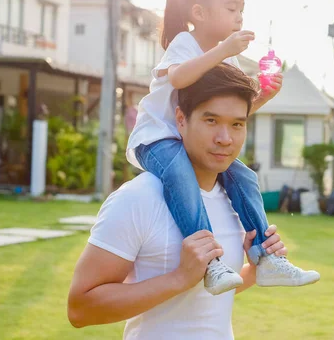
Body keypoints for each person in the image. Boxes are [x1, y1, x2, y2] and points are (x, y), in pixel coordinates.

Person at [126, 0, 319, 295]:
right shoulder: (186, 43)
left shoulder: (226, 61)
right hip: (157, 139)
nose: (240, 17)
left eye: (242, 9)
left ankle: (265, 258)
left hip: (192, 140)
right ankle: (210, 263)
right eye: (232, 8)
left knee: (244, 176)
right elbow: (179, 78)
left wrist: (261, 97)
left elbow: (227, 116)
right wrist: (224, 51)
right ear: (199, 12)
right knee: (180, 173)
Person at [68, 64, 298, 339]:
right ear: (180, 119)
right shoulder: (138, 198)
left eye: (237, 124)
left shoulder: (236, 200)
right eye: (211, 121)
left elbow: (206, 296)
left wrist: (255, 268)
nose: (225, 139)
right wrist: (179, 278)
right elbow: (80, 309)